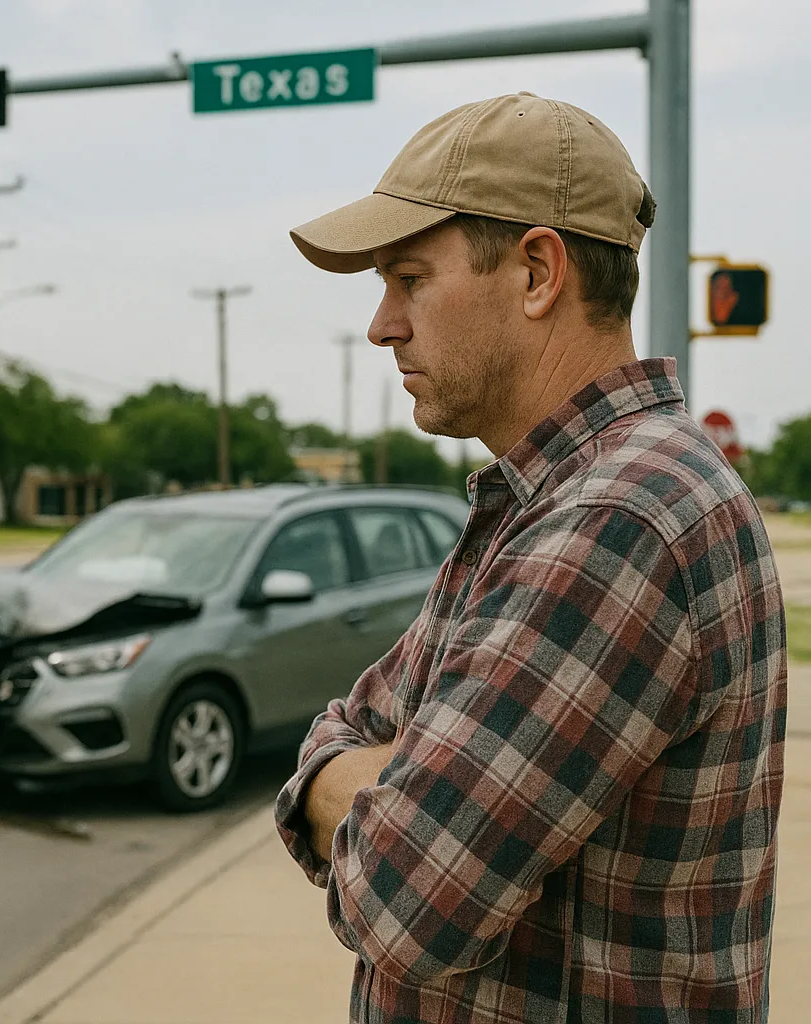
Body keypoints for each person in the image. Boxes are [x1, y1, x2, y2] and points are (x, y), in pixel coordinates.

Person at [274, 93, 785, 1022]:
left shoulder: (621, 518)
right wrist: (378, 775)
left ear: (539, 271)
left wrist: (344, 779)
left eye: (410, 278)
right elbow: (355, 721)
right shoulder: (551, 499)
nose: (382, 324)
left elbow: (405, 902)